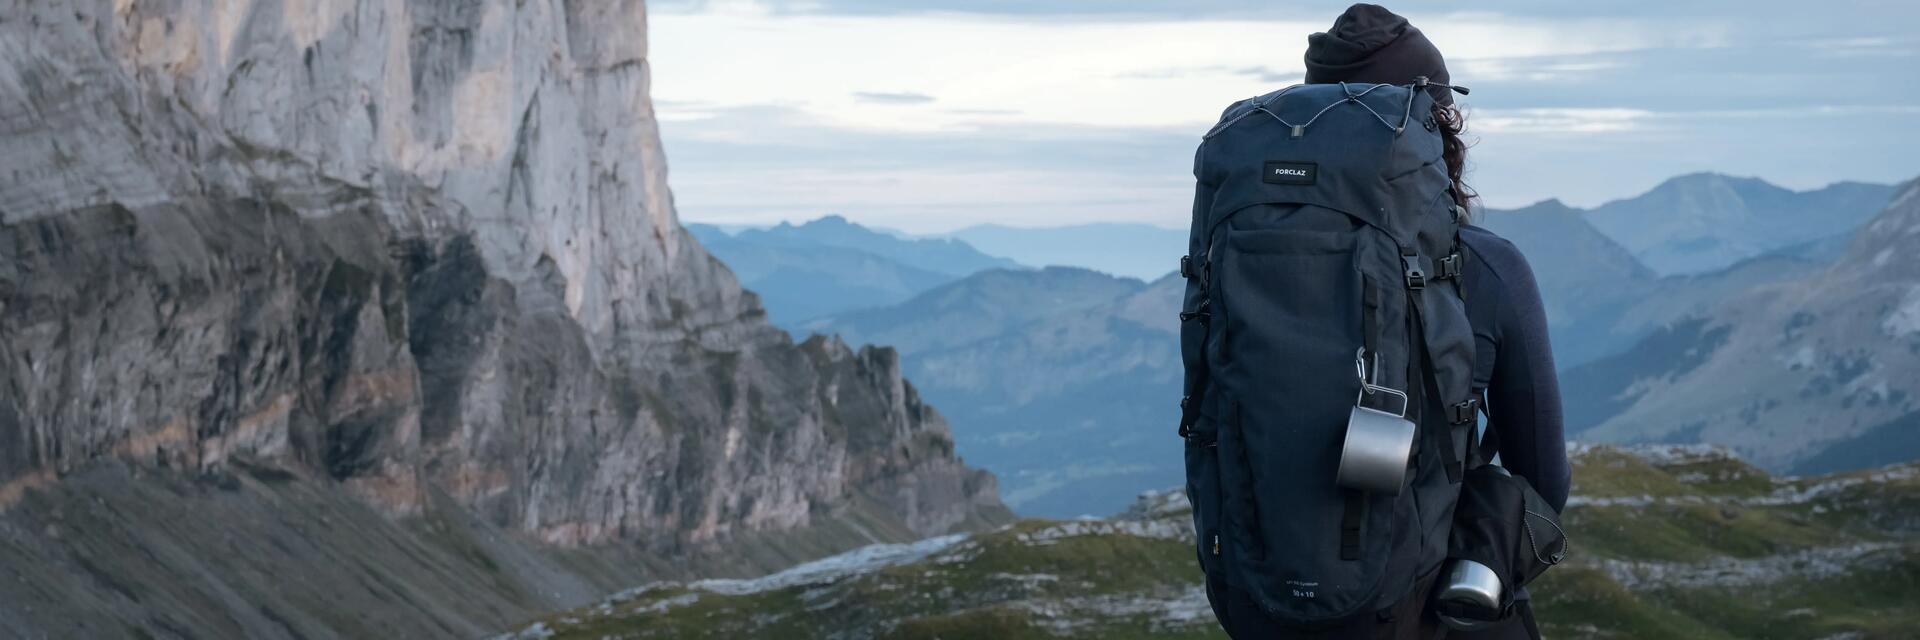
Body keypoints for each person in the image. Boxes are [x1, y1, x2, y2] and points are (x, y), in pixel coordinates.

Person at [1198, 5, 1570, 638]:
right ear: (1433, 130)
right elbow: (1544, 481)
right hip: (1423, 609)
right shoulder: (1486, 268)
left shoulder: (1234, 255)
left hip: (1256, 601)